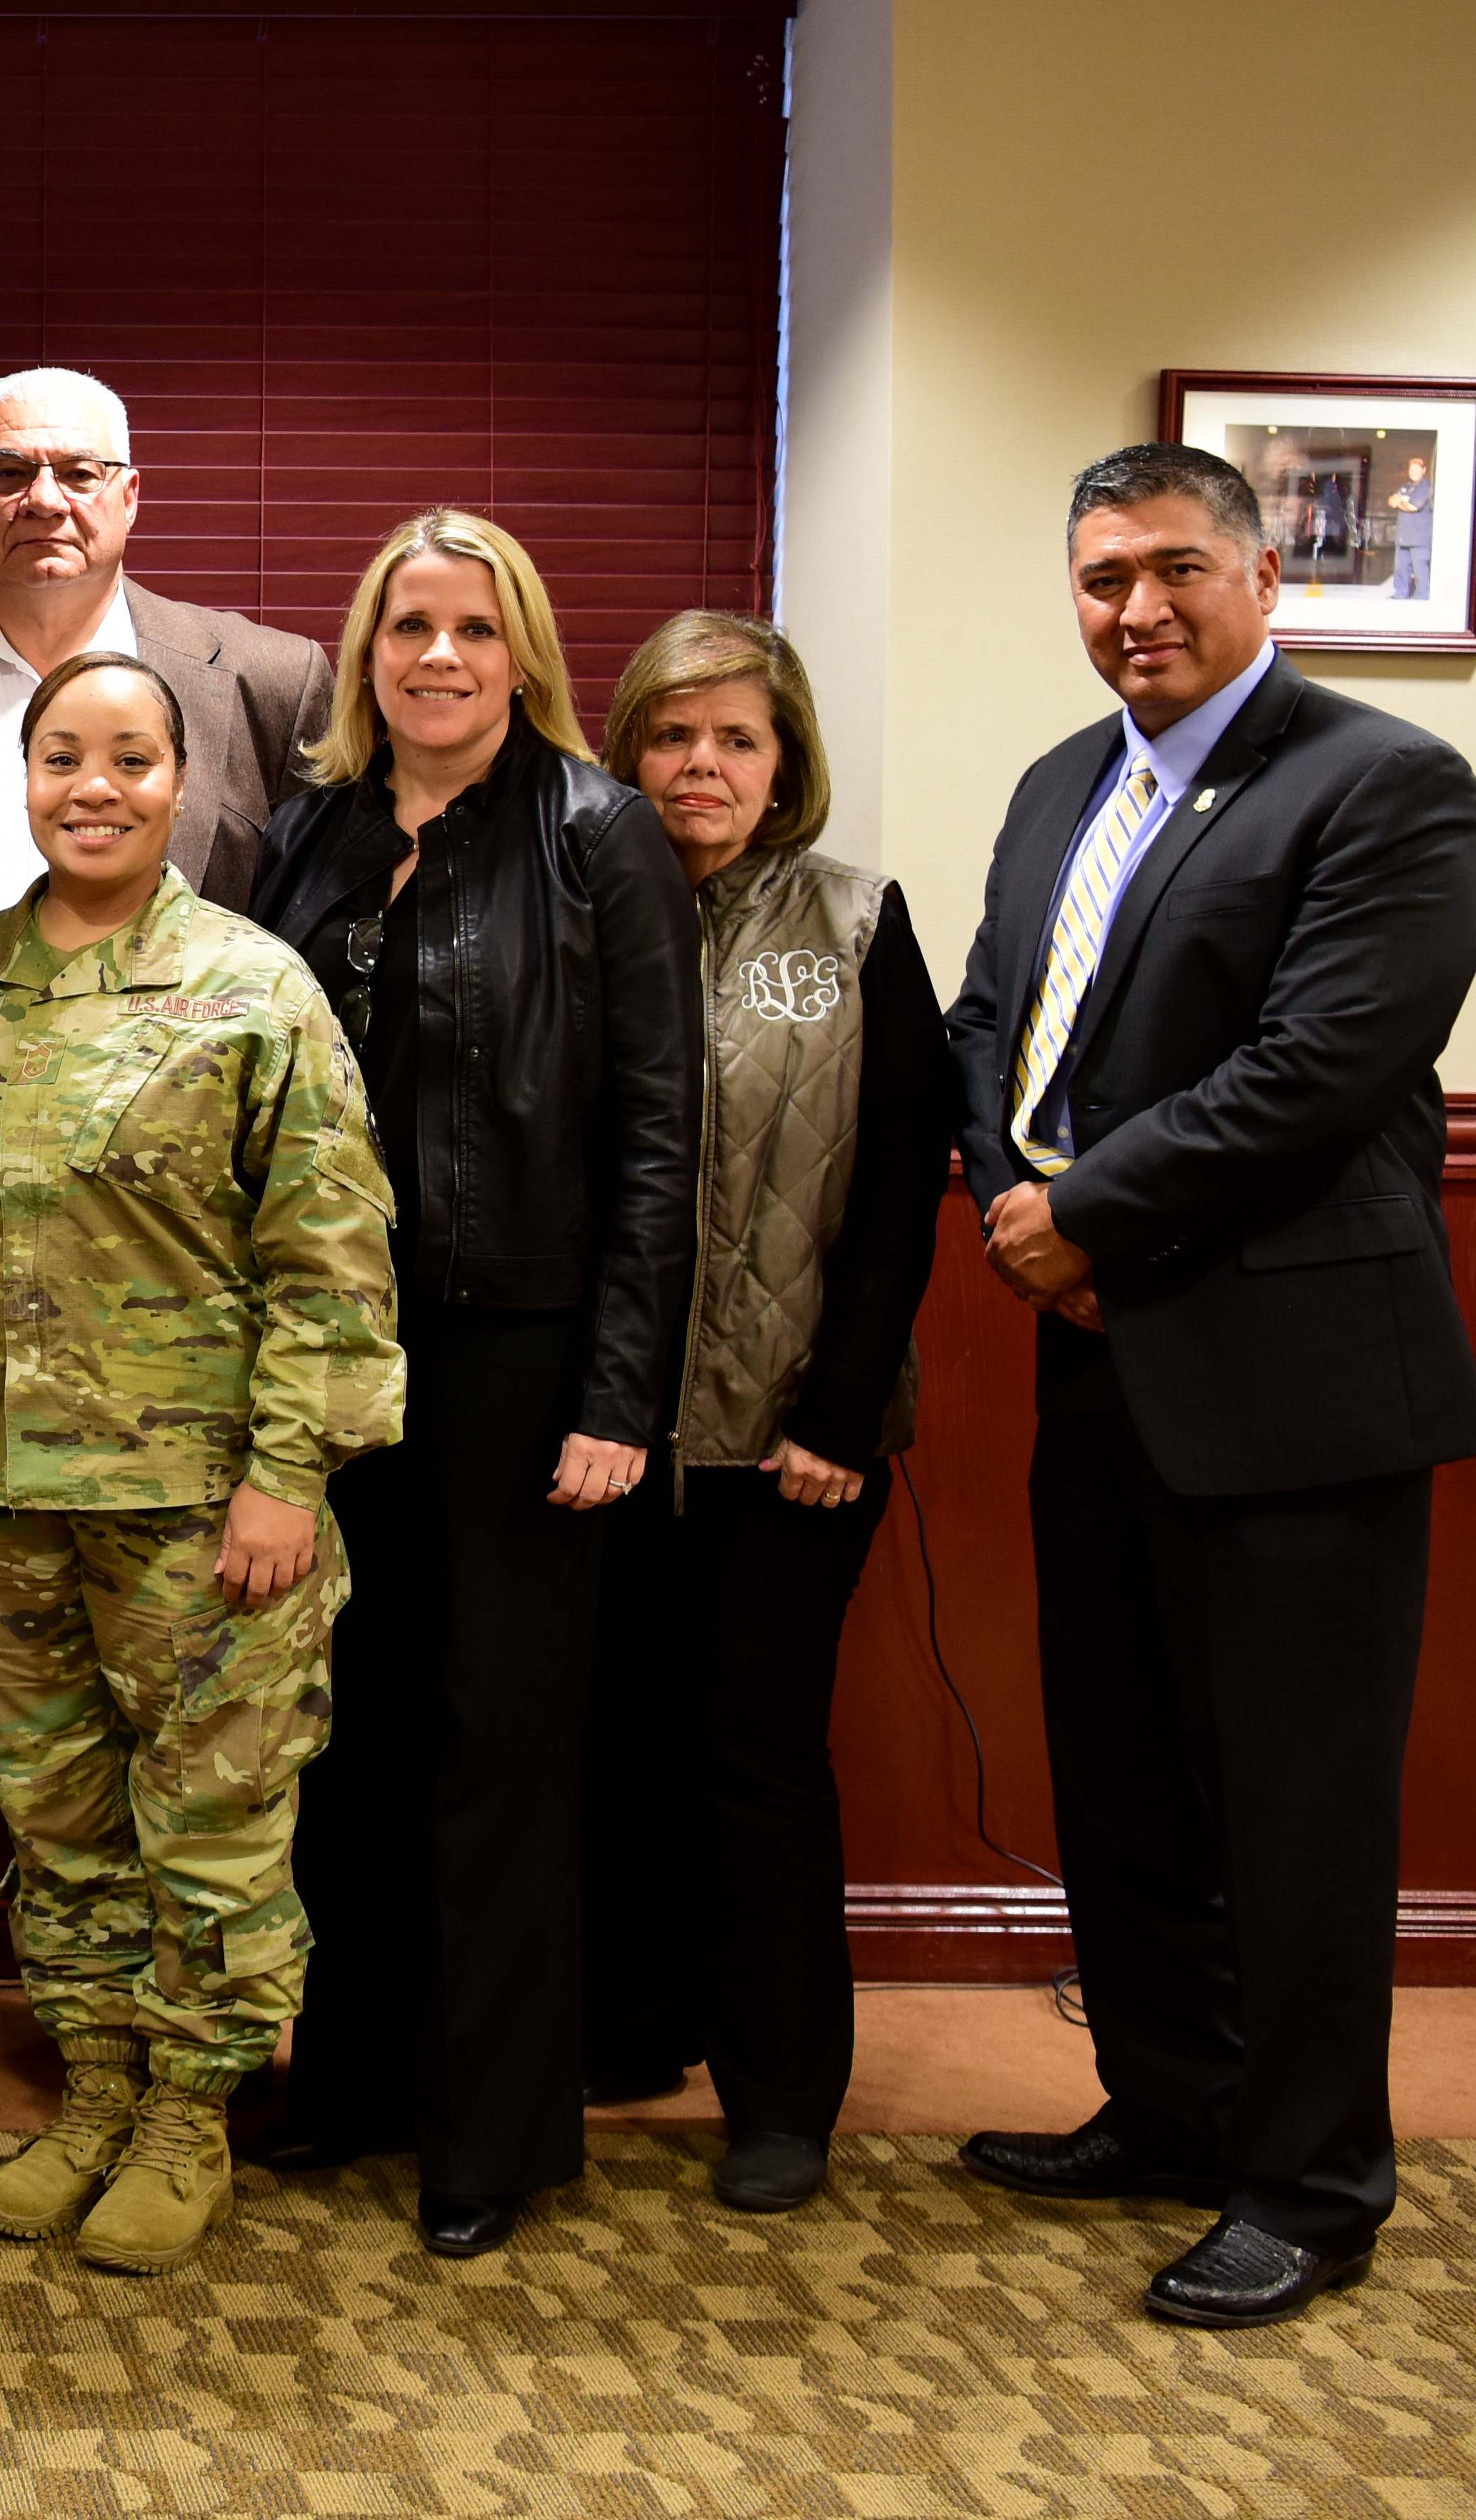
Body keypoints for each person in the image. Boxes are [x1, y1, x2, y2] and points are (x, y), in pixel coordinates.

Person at [946, 442, 1476, 2329]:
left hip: (1290, 1383)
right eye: (1098, 579)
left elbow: (1316, 1069)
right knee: (1124, 1786)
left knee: (1294, 1810)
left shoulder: (1381, 785)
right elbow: (978, 1030)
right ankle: (1168, 2112)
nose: (1132, 612)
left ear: (1265, 577)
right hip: (1094, 1364)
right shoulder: (1055, 785)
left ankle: (1311, 2182)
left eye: (1173, 570)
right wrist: (1012, 1207)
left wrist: (1079, 1218)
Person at [0, 366, 335, 2086]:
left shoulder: (265, 683)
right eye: (6, 470)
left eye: (78, 470)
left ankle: (191, 2086)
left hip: (184, 1318)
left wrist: (290, 1450)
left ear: (132, 493)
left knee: (198, 1756)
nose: (44, 498)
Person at [0, 650, 399, 2274]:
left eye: (129, 759)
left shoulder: (254, 988)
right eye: (60, 757)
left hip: (196, 1503)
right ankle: (94, 2090)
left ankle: (192, 2112)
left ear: (184, 784)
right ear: (20, 778)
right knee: (59, 1817)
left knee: (214, 1821)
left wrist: (288, 1475)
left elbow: (333, 1257)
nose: (92, 787)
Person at [243, 508, 698, 2257]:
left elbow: (663, 1135)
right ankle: (349, 2082)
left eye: (476, 630)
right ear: (366, 653)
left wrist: (620, 1392)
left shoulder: (603, 839)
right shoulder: (312, 838)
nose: (440, 658)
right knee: (347, 1738)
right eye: (408, 627)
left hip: (525, 1368)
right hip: (338, 1363)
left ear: (527, 657)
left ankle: (490, 2136)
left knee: (499, 1750)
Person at [576, 611, 950, 2216]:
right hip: (602, 1429)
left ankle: (783, 2093)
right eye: (671, 737)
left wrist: (842, 1416)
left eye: (735, 738)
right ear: (628, 749)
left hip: (792, 1437)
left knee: (753, 1751)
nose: (701, 767)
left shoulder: (853, 920)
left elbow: (898, 1185)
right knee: (611, 1740)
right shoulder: (581, 903)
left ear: (782, 757)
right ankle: (636, 2021)